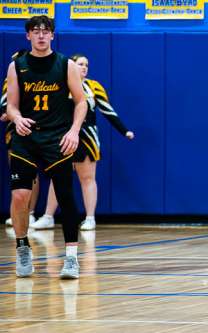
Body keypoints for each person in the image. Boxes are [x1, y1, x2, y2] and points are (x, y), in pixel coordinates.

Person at [5, 15, 87, 279]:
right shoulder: (17, 66)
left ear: (52, 35)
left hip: (57, 138)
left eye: (45, 30)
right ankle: (22, 248)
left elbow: (81, 102)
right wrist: (16, 118)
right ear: (28, 35)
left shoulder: (67, 65)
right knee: (20, 196)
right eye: (35, 31)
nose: (41, 35)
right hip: (26, 138)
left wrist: (74, 131)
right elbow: (11, 106)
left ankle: (71, 258)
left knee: (65, 195)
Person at [31, 53, 134, 231]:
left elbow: (107, 111)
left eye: (86, 64)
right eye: (80, 64)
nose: (84, 67)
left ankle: (90, 218)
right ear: (71, 66)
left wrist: (124, 130)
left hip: (87, 137)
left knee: (87, 178)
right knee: (58, 177)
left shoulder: (93, 86)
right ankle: (48, 216)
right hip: (62, 136)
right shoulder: (59, 84)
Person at [2, 50, 39, 227]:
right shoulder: (9, 81)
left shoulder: (41, 78)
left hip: (37, 130)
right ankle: (16, 213)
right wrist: (9, 113)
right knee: (18, 175)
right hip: (14, 132)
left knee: (34, 174)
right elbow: (5, 104)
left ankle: (31, 212)